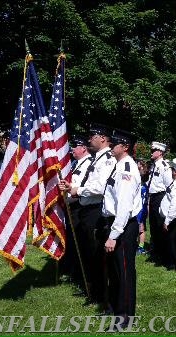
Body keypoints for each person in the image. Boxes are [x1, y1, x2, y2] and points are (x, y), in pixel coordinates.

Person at [58, 125, 116, 308]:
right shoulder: (97, 159)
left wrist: (77, 190)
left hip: (96, 210)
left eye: (93, 136)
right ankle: (91, 288)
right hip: (86, 209)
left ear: (103, 139)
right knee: (87, 253)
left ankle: (99, 295)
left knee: (95, 254)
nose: (89, 139)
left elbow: (99, 188)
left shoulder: (107, 159)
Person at [102, 128, 142, 325]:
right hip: (116, 224)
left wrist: (114, 235)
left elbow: (124, 206)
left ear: (124, 147)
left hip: (123, 226)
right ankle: (113, 306)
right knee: (114, 270)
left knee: (124, 271)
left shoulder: (127, 170)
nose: (110, 145)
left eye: (114, 143)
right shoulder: (119, 165)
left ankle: (125, 315)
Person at [59, 135, 92, 283]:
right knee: (71, 240)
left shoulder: (89, 164)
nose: (72, 149)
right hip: (71, 205)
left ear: (84, 148)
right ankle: (72, 269)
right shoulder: (76, 163)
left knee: (79, 241)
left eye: (75, 146)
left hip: (79, 205)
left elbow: (81, 186)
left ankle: (80, 274)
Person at [146, 141, 172, 263]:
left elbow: (168, 185)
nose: (151, 153)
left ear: (160, 152)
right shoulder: (154, 165)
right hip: (153, 197)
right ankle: (155, 251)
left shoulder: (164, 166)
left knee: (159, 225)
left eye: (153, 151)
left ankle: (162, 254)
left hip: (160, 197)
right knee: (153, 224)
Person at [135, 159, 149, 255]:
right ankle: (137, 244)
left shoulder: (143, 185)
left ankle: (141, 246)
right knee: (138, 227)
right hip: (139, 208)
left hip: (140, 209)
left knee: (141, 228)